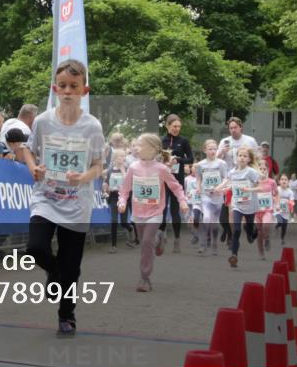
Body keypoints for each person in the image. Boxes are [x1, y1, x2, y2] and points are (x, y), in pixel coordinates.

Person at [19, 60, 105, 338]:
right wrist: (34, 168)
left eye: (74, 86)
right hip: (46, 198)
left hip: (77, 203)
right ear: (55, 88)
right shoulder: (43, 121)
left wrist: (83, 177)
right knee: (35, 248)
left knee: (72, 266)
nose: (67, 91)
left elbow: (97, 166)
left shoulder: (92, 126)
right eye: (63, 86)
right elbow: (28, 151)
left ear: (84, 90)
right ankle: (53, 274)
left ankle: (66, 314)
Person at [117, 134, 189, 292]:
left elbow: (175, 186)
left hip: (155, 212)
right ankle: (160, 238)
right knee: (146, 243)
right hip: (138, 212)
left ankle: (145, 278)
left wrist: (182, 201)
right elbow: (125, 189)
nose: (136, 148)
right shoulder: (133, 167)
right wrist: (122, 202)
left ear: (152, 149)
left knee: (146, 243)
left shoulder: (161, 169)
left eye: (140, 145)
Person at [159, 114, 193, 253]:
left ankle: (177, 239)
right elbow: (155, 158)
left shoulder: (183, 141)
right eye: (174, 126)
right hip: (162, 179)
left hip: (176, 179)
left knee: (174, 211)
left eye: (179, 126)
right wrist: (164, 160)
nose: (177, 129)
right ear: (167, 126)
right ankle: (161, 236)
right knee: (161, 209)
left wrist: (178, 160)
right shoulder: (161, 140)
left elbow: (190, 158)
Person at [225, 148, 262, 268]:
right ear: (236, 158)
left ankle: (252, 231)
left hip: (250, 206)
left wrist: (249, 190)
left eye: (244, 156)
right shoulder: (232, 172)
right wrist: (222, 189)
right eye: (240, 155)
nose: (241, 157)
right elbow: (230, 185)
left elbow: (260, 188)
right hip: (237, 205)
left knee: (250, 233)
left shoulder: (251, 172)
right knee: (236, 230)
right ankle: (234, 256)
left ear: (249, 159)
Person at [195, 139, 228, 256]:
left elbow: (225, 178)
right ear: (205, 150)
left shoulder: (221, 164)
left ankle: (214, 243)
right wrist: (198, 187)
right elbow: (199, 178)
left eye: (215, 149)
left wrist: (219, 187)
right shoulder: (200, 164)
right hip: (206, 195)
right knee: (206, 218)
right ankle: (203, 245)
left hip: (218, 196)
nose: (213, 151)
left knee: (214, 223)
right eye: (210, 149)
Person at [101, 148, 133, 253]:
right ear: (115, 158)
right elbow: (106, 183)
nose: (123, 158)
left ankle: (130, 229)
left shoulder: (127, 169)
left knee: (123, 222)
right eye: (121, 156)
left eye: (124, 156)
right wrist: (105, 188)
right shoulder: (110, 170)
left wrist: (124, 171)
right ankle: (113, 246)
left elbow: (129, 183)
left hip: (124, 198)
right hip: (114, 197)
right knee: (114, 220)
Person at [253, 161, 279, 259]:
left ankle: (267, 238)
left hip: (268, 210)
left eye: (265, 169)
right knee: (259, 232)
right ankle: (261, 252)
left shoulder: (272, 182)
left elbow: (276, 193)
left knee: (266, 226)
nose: (263, 171)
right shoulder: (254, 182)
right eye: (261, 169)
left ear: (268, 170)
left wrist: (277, 203)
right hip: (257, 211)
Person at [184, 162, 202, 249]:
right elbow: (184, 189)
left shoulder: (201, 179)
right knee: (187, 220)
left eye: (197, 167)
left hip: (197, 202)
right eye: (193, 167)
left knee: (195, 219)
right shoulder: (187, 179)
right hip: (188, 201)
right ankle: (195, 234)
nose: (194, 169)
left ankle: (197, 236)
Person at [275, 174, 294, 245]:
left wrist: (288, 202)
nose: (284, 181)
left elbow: (292, 202)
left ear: (288, 182)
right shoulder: (277, 189)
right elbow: (273, 197)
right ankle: (277, 226)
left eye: (285, 179)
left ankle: (282, 238)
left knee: (284, 226)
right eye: (282, 179)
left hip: (286, 212)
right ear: (279, 181)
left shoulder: (290, 192)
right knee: (280, 221)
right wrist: (276, 202)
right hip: (277, 210)